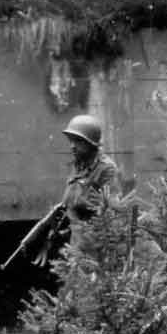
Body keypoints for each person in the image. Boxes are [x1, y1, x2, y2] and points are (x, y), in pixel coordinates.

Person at [32, 113, 120, 265]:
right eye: (71, 140)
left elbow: (113, 209)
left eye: (78, 141)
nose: (72, 145)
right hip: (76, 239)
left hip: (96, 242)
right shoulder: (79, 164)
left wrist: (81, 205)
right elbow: (71, 196)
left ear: (91, 143)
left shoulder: (106, 168)